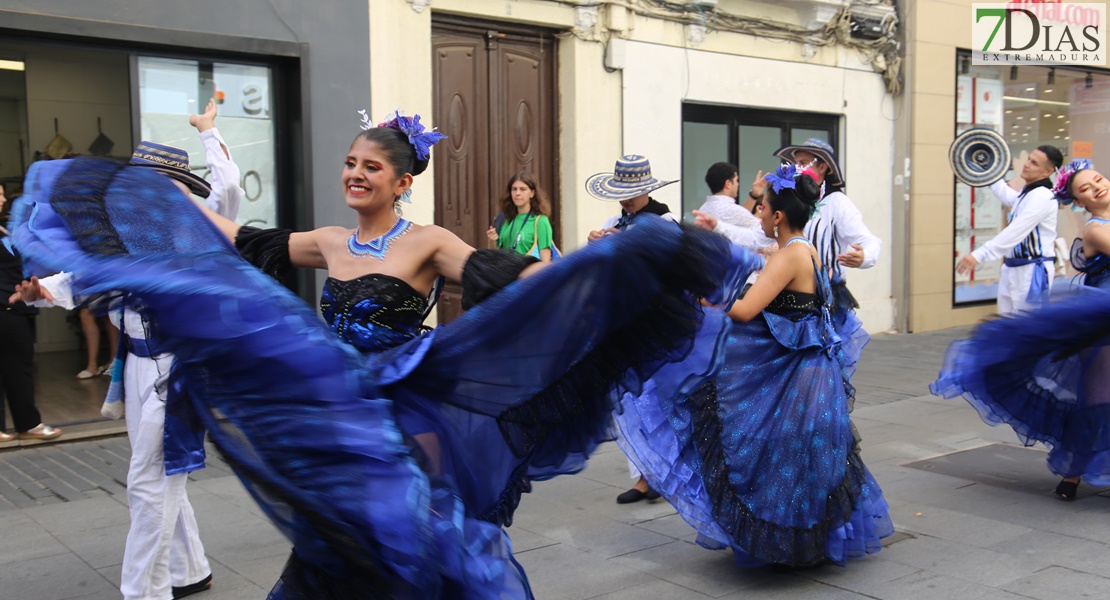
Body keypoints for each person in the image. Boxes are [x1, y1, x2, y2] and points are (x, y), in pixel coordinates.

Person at [11, 110, 756, 598]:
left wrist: (601, 271)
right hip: (339, 400)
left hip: (412, 395)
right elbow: (240, 240)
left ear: (402, 181)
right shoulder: (328, 242)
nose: (354, 174)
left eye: (371, 167)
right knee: (338, 543)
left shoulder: (427, 241)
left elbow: (504, 276)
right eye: (349, 163)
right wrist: (167, 202)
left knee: (412, 535)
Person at [14, 99, 241, 600]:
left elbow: (228, 188)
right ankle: (190, 569)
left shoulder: (198, 232)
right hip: (139, 365)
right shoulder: (127, 237)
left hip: (176, 369)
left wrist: (208, 132)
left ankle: (144, 592)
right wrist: (43, 292)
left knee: (150, 482)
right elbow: (86, 278)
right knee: (158, 474)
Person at [617, 163, 893, 568]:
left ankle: (791, 542)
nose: (758, 213)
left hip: (795, 378)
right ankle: (810, 540)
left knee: (777, 456)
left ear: (778, 216)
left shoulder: (789, 256)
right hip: (809, 373)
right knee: (806, 458)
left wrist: (704, 297)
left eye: (762, 207)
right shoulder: (803, 250)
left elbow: (745, 310)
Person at [933, 159, 1110, 501]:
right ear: (1079, 202)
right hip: (1102, 319)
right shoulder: (1094, 229)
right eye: (1085, 188)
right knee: (1096, 396)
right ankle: (1073, 472)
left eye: (1099, 179)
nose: (1097, 187)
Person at [585, 154, 684, 505]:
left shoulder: (666, 221)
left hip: (655, 320)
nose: (626, 198)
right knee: (627, 400)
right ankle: (644, 474)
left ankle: (664, 472)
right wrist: (597, 245)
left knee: (655, 400)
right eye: (622, 191)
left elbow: (672, 267)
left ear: (647, 189)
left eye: (633, 191)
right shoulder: (616, 221)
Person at [956, 145, 1063, 315]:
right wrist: (987, 169)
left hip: (1031, 270)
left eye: (1034, 163)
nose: (1027, 164)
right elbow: (1005, 193)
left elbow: (1016, 230)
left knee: (1026, 328)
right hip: (1013, 267)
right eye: (1029, 159)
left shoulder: (1043, 195)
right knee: (1008, 323)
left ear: (1047, 172)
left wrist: (979, 254)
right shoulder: (1027, 194)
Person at [0, 182, 62, 442]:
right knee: (15, 366)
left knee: (19, 366)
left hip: (15, 305)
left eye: (3, 193)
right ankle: (27, 424)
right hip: (4, 305)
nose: (2, 199)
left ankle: (27, 423)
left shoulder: (5, 227)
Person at [692, 161, 774, 251]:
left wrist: (753, 195)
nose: (738, 184)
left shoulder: (703, 209)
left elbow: (740, 217)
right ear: (728, 184)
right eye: (736, 180)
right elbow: (764, 231)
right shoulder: (733, 211)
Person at [486, 171, 556, 261]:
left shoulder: (541, 221)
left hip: (529, 274)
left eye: (522, 189)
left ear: (532, 193)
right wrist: (492, 240)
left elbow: (545, 262)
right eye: (514, 189)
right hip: (508, 273)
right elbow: (495, 255)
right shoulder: (508, 220)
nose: (517, 193)